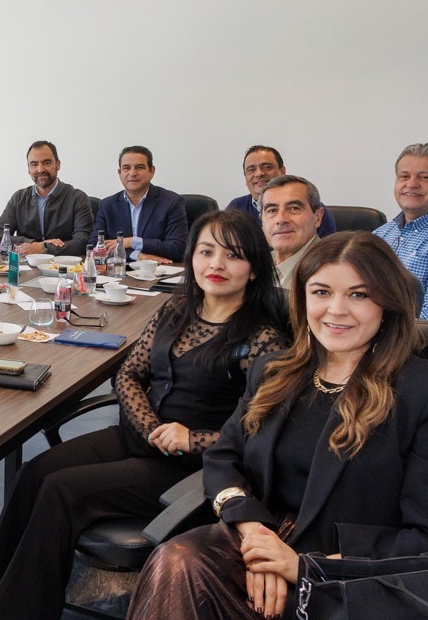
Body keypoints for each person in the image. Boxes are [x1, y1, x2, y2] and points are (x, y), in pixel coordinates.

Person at [0, 210, 287, 620]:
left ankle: (18, 612)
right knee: (32, 474)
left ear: (254, 268)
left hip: (191, 466)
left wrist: (191, 439)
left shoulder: (262, 339)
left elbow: (259, 433)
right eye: (206, 252)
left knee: (61, 490)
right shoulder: (177, 308)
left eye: (233, 255)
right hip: (139, 437)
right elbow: (129, 373)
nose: (216, 264)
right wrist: (149, 426)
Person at [127, 232, 428, 620]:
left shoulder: (417, 391)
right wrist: (256, 535)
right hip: (261, 535)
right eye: (321, 292)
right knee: (178, 560)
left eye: (359, 294)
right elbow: (223, 456)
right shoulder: (274, 371)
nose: (336, 310)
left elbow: (421, 538)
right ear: (302, 298)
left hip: (347, 572)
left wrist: (302, 565)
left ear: (388, 303)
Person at [0, 141, 93, 256]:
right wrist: (33, 244)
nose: (40, 169)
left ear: (58, 164)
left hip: (62, 265)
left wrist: (45, 248)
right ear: (28, 169)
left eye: (47, 163)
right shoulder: (19, 198)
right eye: (34, 164)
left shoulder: (77, 198)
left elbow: (83, 242)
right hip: (26, 265)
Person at [89, 146, 188, 263]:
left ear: (152, 171)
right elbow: (96, 247)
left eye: (139, 167)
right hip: (120, 271)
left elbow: (179, 248)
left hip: (159, 270)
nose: (132, 173)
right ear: (120, 173)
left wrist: (131, 241)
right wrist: (137, 255)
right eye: (126, 168)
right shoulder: (107, 205)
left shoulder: (171, 202)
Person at [226, 145, 337, 236]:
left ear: (282, 171)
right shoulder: (236, 208)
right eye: (251, 170)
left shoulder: (311, 208)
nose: (259, 174)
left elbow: (326, 252)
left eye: (267, 167)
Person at [375, 143, 428, 319]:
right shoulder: (379, 235)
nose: (411, 184)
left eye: (424, 177)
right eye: (404, 176)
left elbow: (425, 320)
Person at [259, 175, 323, 290]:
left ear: (317, 217)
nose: (281, 219)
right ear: (262, 222)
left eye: (294, 208)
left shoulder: (329, 271)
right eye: (272, 210)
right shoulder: (255, 265)